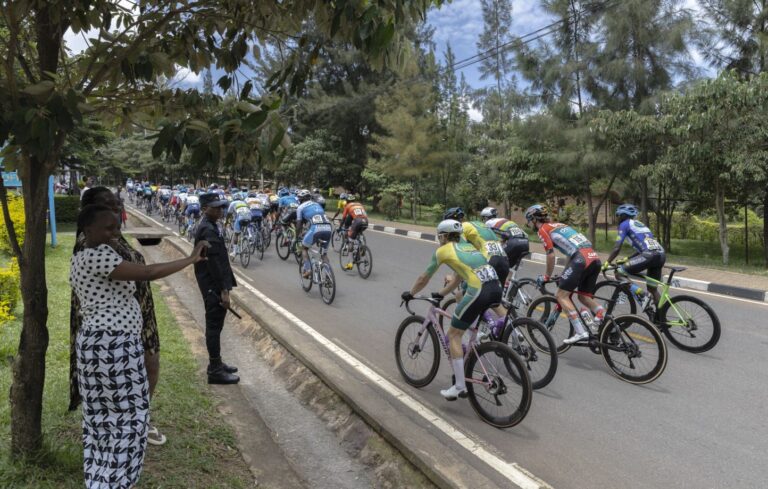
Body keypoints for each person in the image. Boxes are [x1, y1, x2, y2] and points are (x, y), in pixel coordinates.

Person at [70, 203, 207, 489]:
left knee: (105, 420)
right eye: (108, 227)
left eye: (117, 226)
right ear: (87, 229)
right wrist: (191, 259)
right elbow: (148, 272)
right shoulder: (92, 257)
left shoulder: (96, 253)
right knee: (128, 420)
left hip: (108, 345)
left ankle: (104, 480)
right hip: (112, 347)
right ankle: (114, 482)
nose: (115, 233)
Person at [69, 187, 168, 447]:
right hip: (112, 325)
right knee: (125, 375)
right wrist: (190, 259)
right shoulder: (91, 244)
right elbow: (144, 272)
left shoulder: (111, 235)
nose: (114, 210)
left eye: (116, 205)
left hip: (136, 312)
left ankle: (135, 421)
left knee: (149, 363)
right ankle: (126, 427)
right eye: (107, 205)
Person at [402, 219, 504, 401]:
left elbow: (423, 278)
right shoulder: (467, 247)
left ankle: (459, 386)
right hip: (495, 288)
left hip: (478, 291)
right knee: (467, 327)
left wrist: (410, 293)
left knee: (454, 335)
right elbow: (458, 277)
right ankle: (469, 354)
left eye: (440, 236)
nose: (439, 239)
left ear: (445, 236)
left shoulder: (443, 251)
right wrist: (441, 293)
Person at [525, 204, 604, 344]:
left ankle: (580, 332)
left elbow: (550, 255)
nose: (530, 224)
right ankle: (601, 312)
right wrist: (565, 273)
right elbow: (570, 253)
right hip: (594, 258)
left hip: (581, 259)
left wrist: (547, 276)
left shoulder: (543, 229)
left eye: (530, 220)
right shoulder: (560, 225)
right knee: (583, 297)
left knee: (561, 295)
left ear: (534, 219)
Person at [194, 193, 240, 384]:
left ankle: (217, 362)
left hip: (213, 283)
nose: (220, 210)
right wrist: (224, 290)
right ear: (205, 208)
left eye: (221, 207)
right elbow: (214, 264)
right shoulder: (208, 230)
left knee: (216, 326)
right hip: (213, 285)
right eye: (215, 207)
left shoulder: (211, 225)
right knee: (213, 326)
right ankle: (214, 370)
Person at [604, 204, 666, 305]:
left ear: (623, 216)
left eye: (618, 216)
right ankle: (660, 317)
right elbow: (644, 247)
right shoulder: (639, 224)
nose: (617, 218)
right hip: (660, 255)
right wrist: (627, 258)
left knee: (619, 273)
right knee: (652, 289)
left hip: (649, 255)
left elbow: (616, 248)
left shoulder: (624, 224)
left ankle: (643, 295)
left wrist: (607, 262)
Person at [295, 189, 332, 278]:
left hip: (316, 228)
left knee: (304, 248)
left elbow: (299, 224)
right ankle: (329, 276)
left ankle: (308, 270)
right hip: (328, 228)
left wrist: (297, 236)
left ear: (301, 199)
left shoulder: (300, 207)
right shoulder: (317, 204)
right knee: (324, 254)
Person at [226, 192, 251, 259]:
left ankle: (234, 252)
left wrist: (226, 222)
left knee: (236, 234)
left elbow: (229, 214)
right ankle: (247, 237)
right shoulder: (244, 202)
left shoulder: (233, 203)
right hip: (249, 217)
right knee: (245, 229)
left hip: (240, 218)